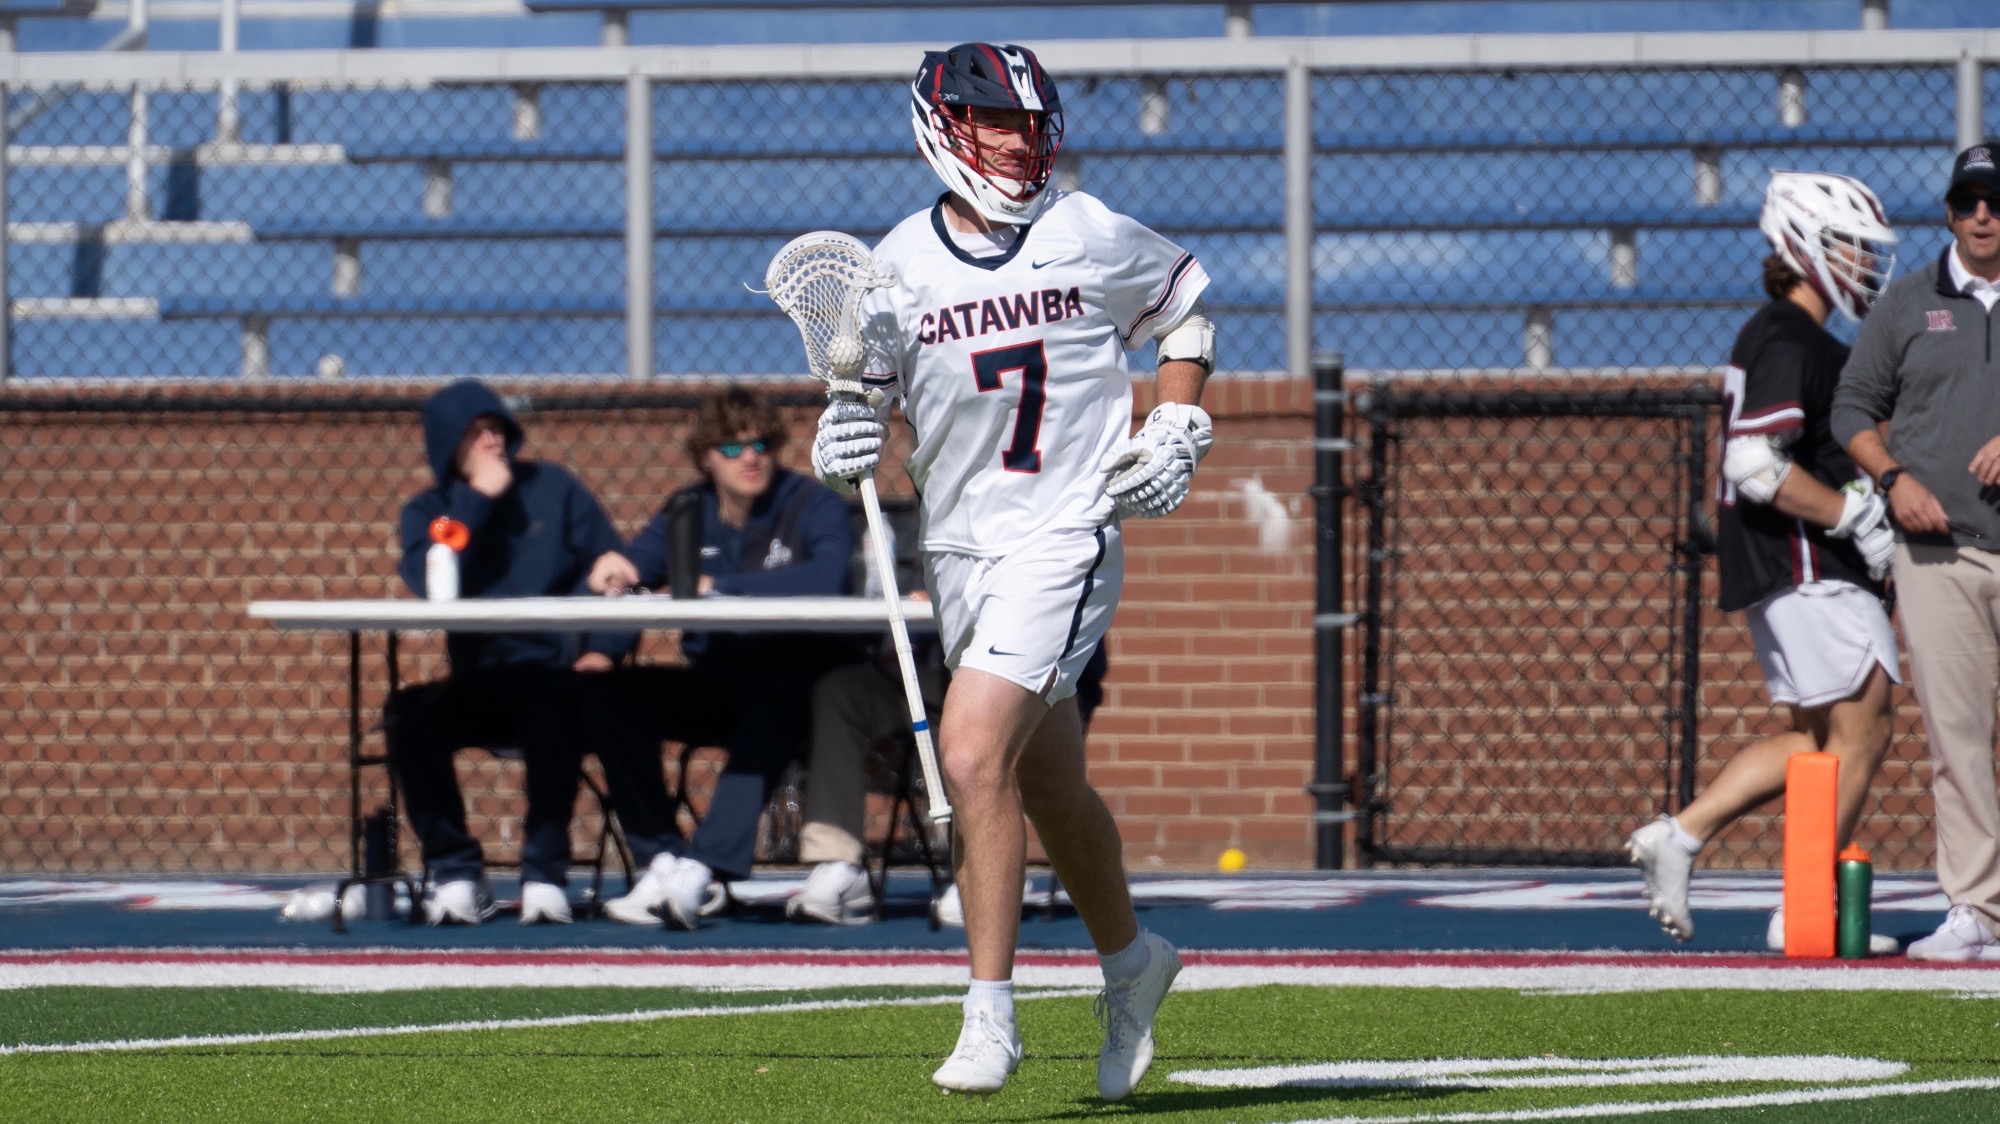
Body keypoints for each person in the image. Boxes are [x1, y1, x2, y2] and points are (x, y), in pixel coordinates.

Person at [810, 43, 1214, 1100]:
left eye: (1031, 125)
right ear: (943, 125)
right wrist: (838, 437)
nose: (1020, 142)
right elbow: (867, 399)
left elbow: (1185, 309)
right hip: (957, 550)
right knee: (1048, 780)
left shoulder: (1083, 229)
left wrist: (1172, 416)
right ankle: (1132, 962)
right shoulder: (894, 264)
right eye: (998, 123)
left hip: (1066, 536)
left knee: (971, 752)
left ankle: (989, 1010)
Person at [1627, 172, 1901, 951]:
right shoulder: (1788, 334)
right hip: (1803, 559)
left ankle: (1679, 835)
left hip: (1786, 562)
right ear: (1805, 244)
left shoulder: (1789, 335)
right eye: (1849, 245)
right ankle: (1803, 904)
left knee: (1818, 741)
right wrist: (1851, 513)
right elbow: (1754, 462)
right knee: (1866, 724)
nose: (1863, 263)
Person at [579, 385, 861, 929]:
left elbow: (829, 578)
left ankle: (701, 870)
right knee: (604, 691)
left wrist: (721, 587)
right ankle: (662, 857)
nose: (749, 457)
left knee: (772, 706)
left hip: (798, 684)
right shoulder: (687, 510)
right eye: (732, 448)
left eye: (760, 444)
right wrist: (609, 599)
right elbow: (635, 574)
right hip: (716, 680)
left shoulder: (811, 502)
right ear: (707, 457)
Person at [1832, 142, 2000, 961]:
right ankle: (1976, 912)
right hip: (1939, 557)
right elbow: (1852, 410)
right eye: (1968, 200)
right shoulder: (1904, 303)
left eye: (1995, 200)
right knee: (1959, 744)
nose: (1982, 215)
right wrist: (1893, 478)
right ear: (1947, 210)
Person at [388, 379, 639, 926]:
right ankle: (456, 870)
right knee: (409, 719)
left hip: (554, 674)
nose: (491, 441)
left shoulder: (553, 488)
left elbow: (618, 575)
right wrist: (477, 499)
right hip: (477, 679)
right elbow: (428, 577)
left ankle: (545, 874)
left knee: (553, 715)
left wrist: (604, 653)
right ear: (448, 444)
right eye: (475, 432)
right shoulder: (431, 511)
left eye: (496, 428)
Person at [787, 640, 1108, 927]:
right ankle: (838, 862)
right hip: (909, 673)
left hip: (1005, 676)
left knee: (958, 693)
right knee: (839, 691)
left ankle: (984, 866)